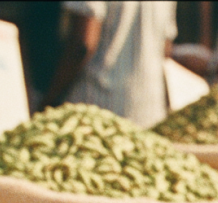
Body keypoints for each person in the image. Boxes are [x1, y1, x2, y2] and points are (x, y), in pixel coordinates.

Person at [42, 2, 178, 128]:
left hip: (96, 113)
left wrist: (49, 101)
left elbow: (83, 45)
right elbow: (165, 49)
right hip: (149, 113)